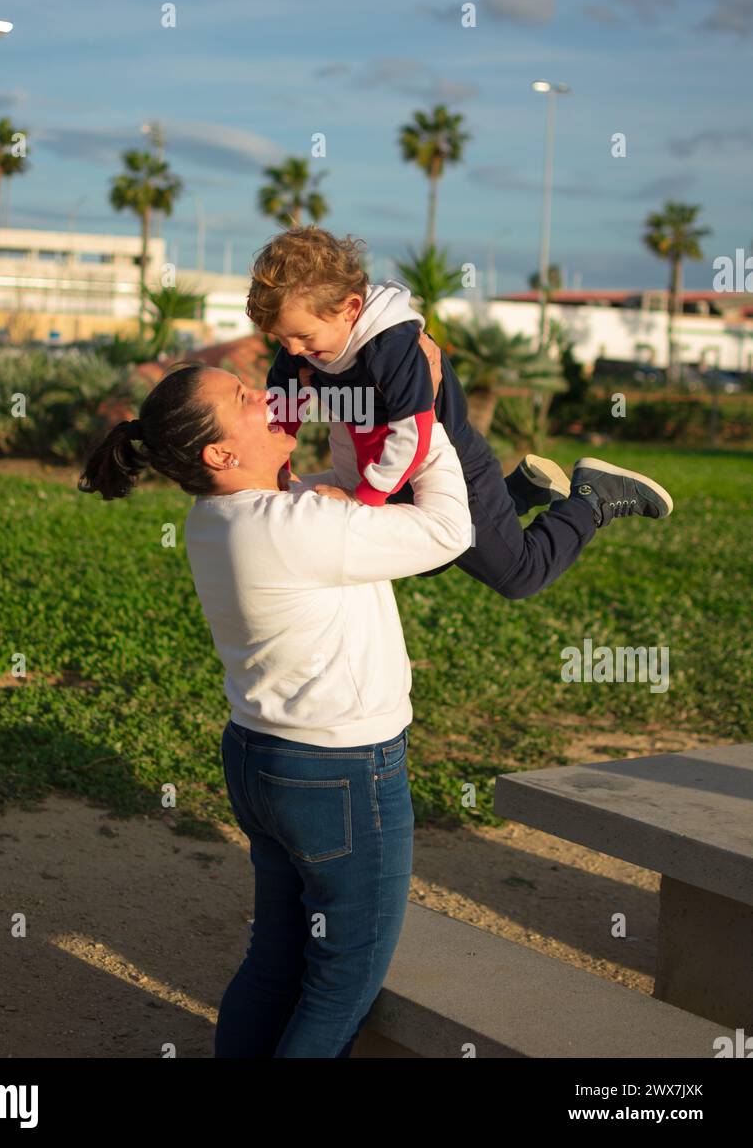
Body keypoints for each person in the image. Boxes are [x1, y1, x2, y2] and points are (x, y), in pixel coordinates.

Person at [78, 335, 467, 1057]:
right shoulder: (296, 525)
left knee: (278, 958)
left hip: (264, 763)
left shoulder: (222, 519)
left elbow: (350, 490)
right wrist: (424, 412)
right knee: (342, 977)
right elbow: (448, 528)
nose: (267, 394)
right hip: (341, 773)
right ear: (220, 456)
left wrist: (371, 412)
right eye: (244, 399)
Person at [246, 224, 673, 599]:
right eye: (281, 340)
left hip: (449, 462)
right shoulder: (303, 346)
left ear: (351, 309)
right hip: (391, 468)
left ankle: (592, 495)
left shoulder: (391, 346)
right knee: (424, 558)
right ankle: (521, 491)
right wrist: (276, 470)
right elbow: (282, 408)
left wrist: (365, 498)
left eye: (302, 337)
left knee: (519, 575)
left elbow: (412, 433)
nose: (293, 350)